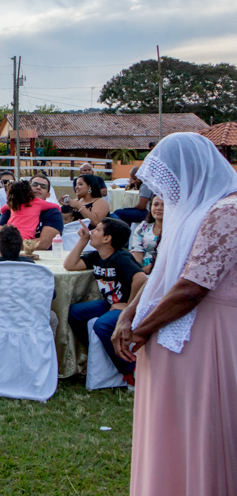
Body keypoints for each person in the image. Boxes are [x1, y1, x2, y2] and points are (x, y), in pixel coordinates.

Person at [110, 133, 237, 496]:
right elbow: (162, 272)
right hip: (174, 330)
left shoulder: (228, 209)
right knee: (171, 430)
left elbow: (193, 285)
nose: (165, 193)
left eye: (169, 181)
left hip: (211, 334)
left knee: (205, 429)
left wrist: (141, 329)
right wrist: (128, 314)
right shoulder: (194, 211)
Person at [64, 218, 146, 382]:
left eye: (98, 229)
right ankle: (99, 351)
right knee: (74, 313)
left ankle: (130, 371)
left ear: (107, 238)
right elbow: (70, 265)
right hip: (110, 303)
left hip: (130, 306)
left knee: (103, 325)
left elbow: (141, 279)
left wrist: (128, 306)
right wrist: (83, 240)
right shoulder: (97, 256)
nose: (92, 231)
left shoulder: (121, 257)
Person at [0, 180, 62, 249]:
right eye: (34, 184)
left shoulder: (13, 205)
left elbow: (44, 244)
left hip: (10, 237)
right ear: (29, 190)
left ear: (48, 194)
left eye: (43, 186)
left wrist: (8, 247)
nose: (38, 187)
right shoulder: (38, 203)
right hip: (26, 238)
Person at [129, 196, 163, 274]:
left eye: (163, 205)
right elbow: (137, 251)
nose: (159, 208)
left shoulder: (174, 231)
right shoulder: (143, 227)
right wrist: (139, 272)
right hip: (142, 271)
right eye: (156, 204)